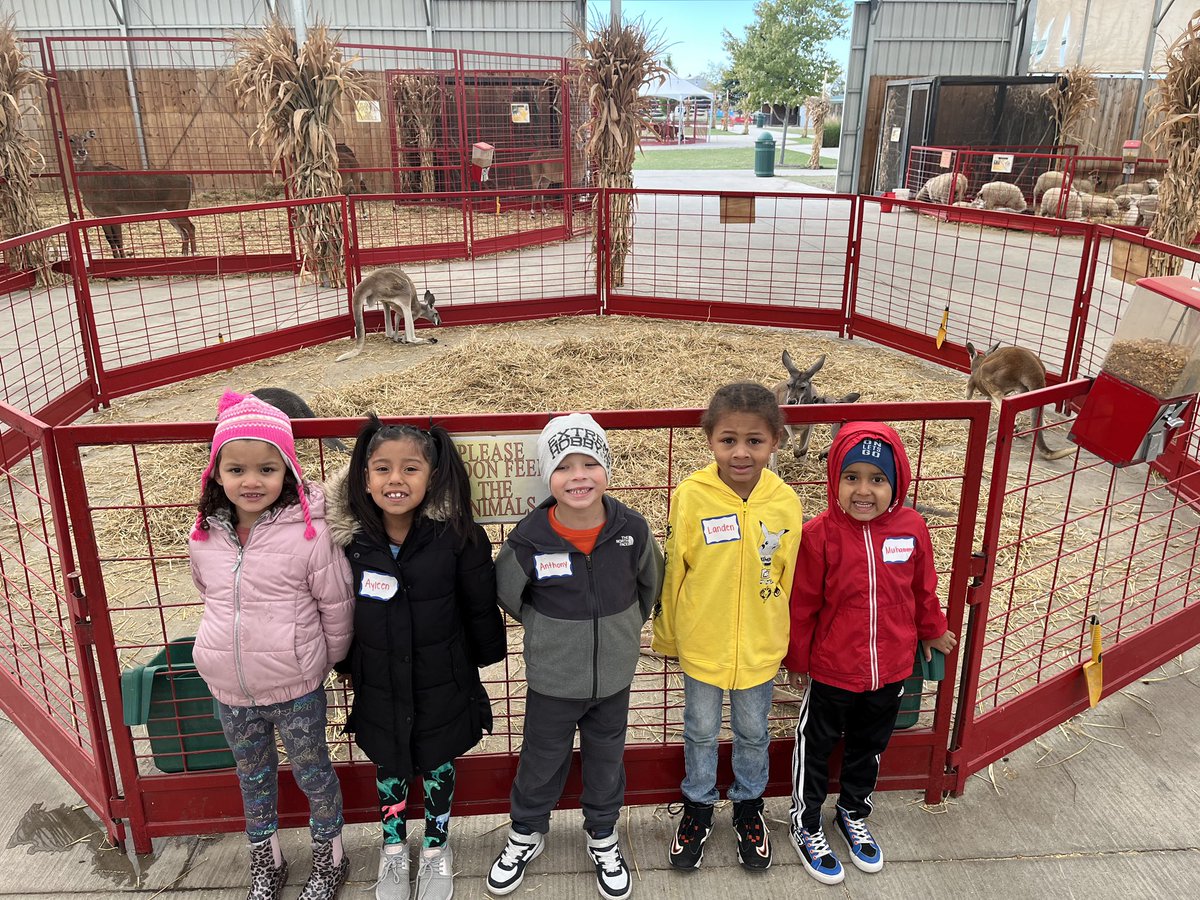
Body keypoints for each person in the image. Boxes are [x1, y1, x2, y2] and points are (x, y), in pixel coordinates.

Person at [325, 414, 507, 900]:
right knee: (387, 759)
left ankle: (435, 846)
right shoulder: (351, 542)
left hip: (441, 675)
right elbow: (338, 605)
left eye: (410, 469)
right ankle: (391, 848)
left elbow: (477, 600)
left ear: (432, 476)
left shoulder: (456, 536)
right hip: (378, 677)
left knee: (438, 759)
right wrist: (344, 662)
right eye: (382, 469)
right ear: (364, 478)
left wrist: (483, 656)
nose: (395, 480)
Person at [486, 413, 664, 900]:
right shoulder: (529, 538)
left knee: (607, 759)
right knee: (542, 757)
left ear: (607, 468)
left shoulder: (632, 529)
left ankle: (603, 834)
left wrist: (623, 629)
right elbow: (508, 594)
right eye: (565, 467)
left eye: (590, 463)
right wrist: (549, 629)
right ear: (548, 477)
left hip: (614, 677)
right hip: (553, 679)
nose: (578, 476)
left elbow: (651, 586)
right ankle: (525, 831)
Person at [188, 390, 354, 900]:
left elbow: (337, 604)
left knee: (312, 771)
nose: (251, 481)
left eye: (267, 468)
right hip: (231, 689)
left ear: (288, 472)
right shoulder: (206, 536)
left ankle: (330, 855)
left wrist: (324, 661)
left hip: (297, 685)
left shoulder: (309, 533)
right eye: (236, 469)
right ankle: (267, 858)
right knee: (252, 775)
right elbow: (209, 592)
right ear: (217, 474)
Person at [784, 422, 958, 885]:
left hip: (891, 668)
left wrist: (933, 629)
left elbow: (923, 588)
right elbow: (803, 604)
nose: (864, 490)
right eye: (852, 477)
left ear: (896, 483)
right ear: (834, 482)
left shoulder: (911, 527)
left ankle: (853, 811)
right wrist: (798, 660)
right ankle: (805, 822)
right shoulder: (819, 535)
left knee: (869, 746)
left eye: (877, 479)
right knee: (815, 746)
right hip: (832, 669)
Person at [652, 382, 804, 872]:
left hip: (760, 646)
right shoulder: (691, 495)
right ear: (710, 439)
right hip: (703, 642)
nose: (741, 452)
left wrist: (787, 641)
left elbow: (789, 576)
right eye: (728, 440)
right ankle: (697, 806)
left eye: (755, 441)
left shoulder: (785, 502)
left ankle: (748, 806)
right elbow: (676, 568)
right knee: (698, 729)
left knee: (753, 731)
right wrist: (670, 634)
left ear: (776, 442)